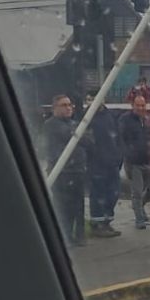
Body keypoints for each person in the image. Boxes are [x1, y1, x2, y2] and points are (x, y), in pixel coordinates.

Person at [42, 94, 92, 246]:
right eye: (64, 105)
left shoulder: (75, 123)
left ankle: (80, 235)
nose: (69, 108)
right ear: (54, 108)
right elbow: (70, 136)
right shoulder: (51, 124)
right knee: (64, 207)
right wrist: (78, 133)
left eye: (70, 105)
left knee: (79, 206)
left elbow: (89, 141)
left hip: (77, 171)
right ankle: (65, 236)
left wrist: (79, 133)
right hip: (62, 172)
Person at [119, 94, 150, 229]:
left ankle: (140, 205)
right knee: (136, 191)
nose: (141, 108)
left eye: (143, 105)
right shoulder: (125, 120)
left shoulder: (149, 119)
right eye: (138, 105)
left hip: (149, 160)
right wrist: (127, 154)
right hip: (134, 162)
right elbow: (120, 139)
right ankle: (139, 219)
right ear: (132, 106)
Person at [85, 91, 123, 238]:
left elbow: (118, 138)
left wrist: (119, 156)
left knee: (112, 194)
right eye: (89, 99)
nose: (92, 101)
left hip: (112, 163)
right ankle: (97, 225)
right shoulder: (87, 118)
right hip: (96, 164)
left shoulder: (110, 116)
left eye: (95, 98)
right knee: (98, 194)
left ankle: (107, 222)